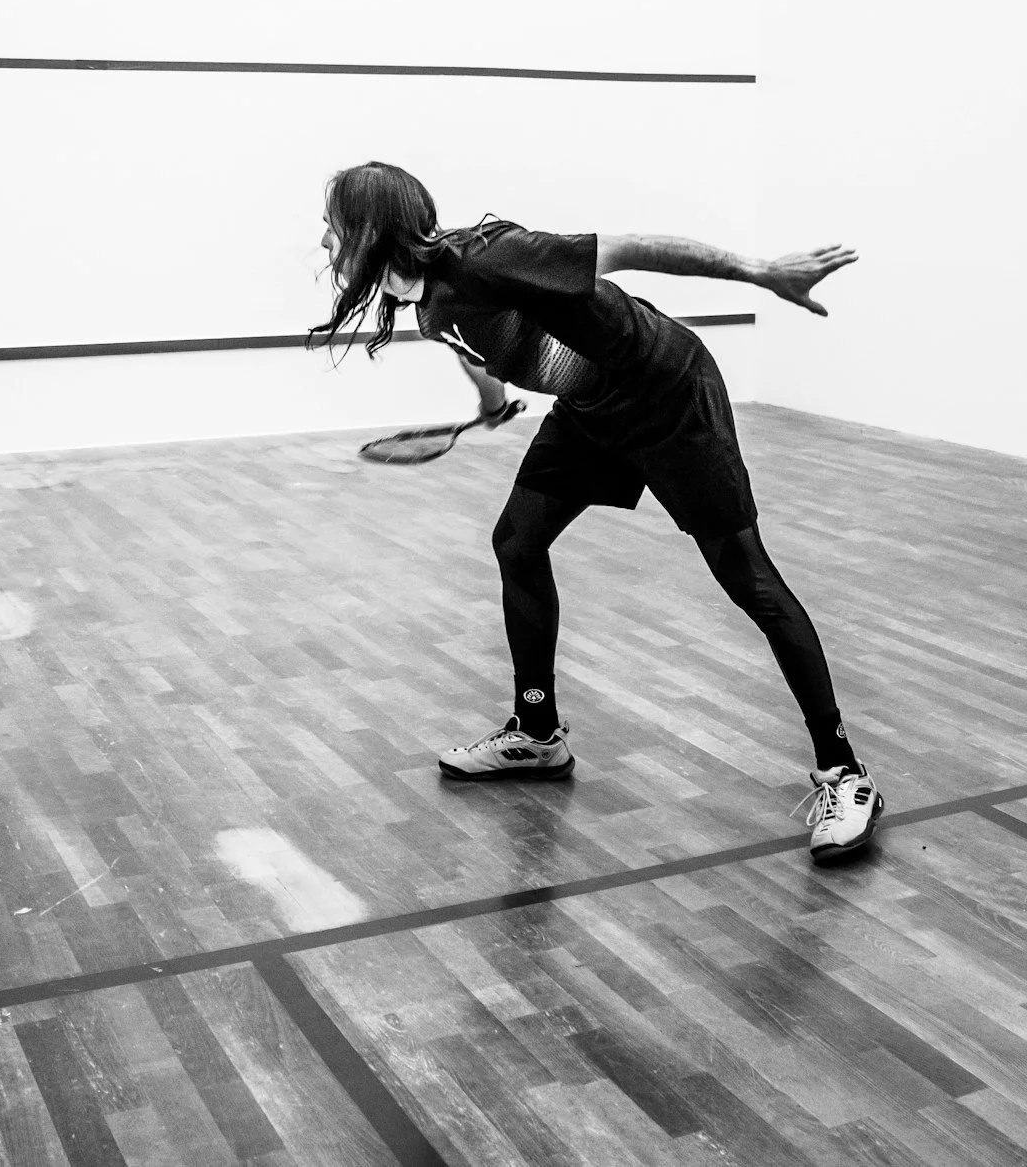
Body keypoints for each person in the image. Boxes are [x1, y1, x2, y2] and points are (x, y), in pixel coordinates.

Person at [310, 161, 883, 863]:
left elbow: (632, 246)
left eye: (335, 226)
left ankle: (844, 770)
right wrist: (492, 406)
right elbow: (473, 342)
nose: (328, 240)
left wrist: (760, 270)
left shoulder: (495, 255)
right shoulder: (426, 302)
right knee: (517, 541)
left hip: (669, 392)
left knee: (746, 576)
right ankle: (537, 731)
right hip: (590, 409)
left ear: (372, 231)